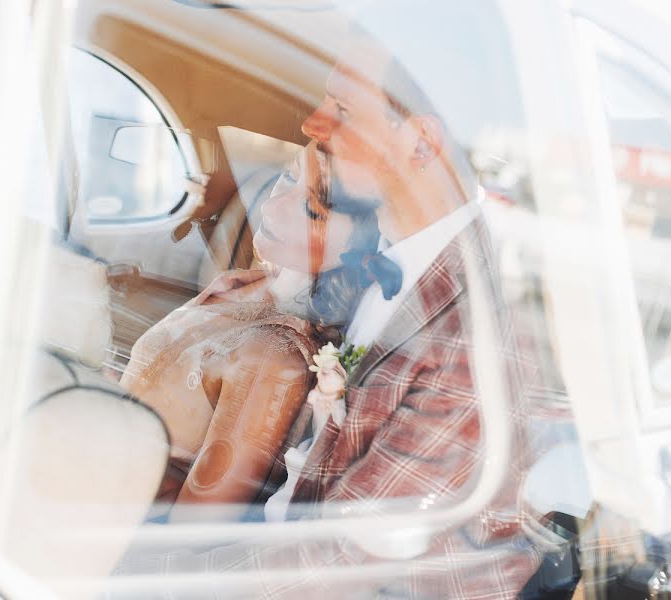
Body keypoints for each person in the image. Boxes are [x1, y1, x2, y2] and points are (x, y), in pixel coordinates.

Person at [117, 3, 549, 597]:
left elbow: (336, 570)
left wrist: (113, 579)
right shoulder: (385, 271)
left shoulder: (471, 342)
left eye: (343, 109)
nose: (312, 126)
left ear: (422, 144)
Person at [119, 142, 379, 519]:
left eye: (312, 209)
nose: (272, 206)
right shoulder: (244, 286)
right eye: (289, 175)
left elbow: (195, 529)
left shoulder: (273, 357)